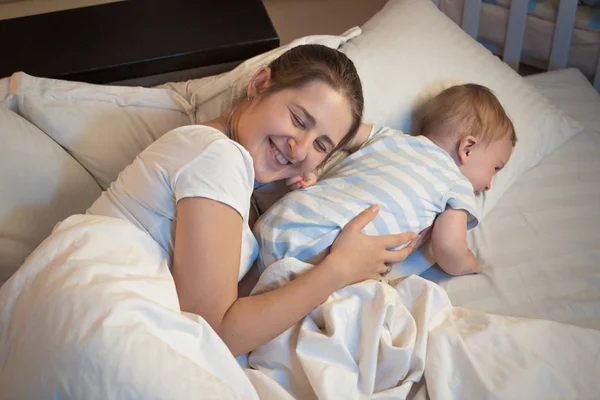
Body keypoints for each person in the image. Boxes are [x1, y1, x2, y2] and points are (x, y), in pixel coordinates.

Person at [87, 44, 419, 357]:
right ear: (259, 84)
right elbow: (213, 331)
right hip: (105, 318)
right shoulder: (218, 156)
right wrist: (339, 269)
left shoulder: (233, 179)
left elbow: (235, 302)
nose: (300, 149)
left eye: (321, 146)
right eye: (299, 120)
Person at [256, 83, 516, 277]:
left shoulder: (388, 136)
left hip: (280, 222)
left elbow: (342, 131)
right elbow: (449, 248)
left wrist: (315, 166)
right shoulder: (455, 185)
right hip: (324, 255)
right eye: (496, 167)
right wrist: (470, 263)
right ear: (467, 148)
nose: (490, 184)